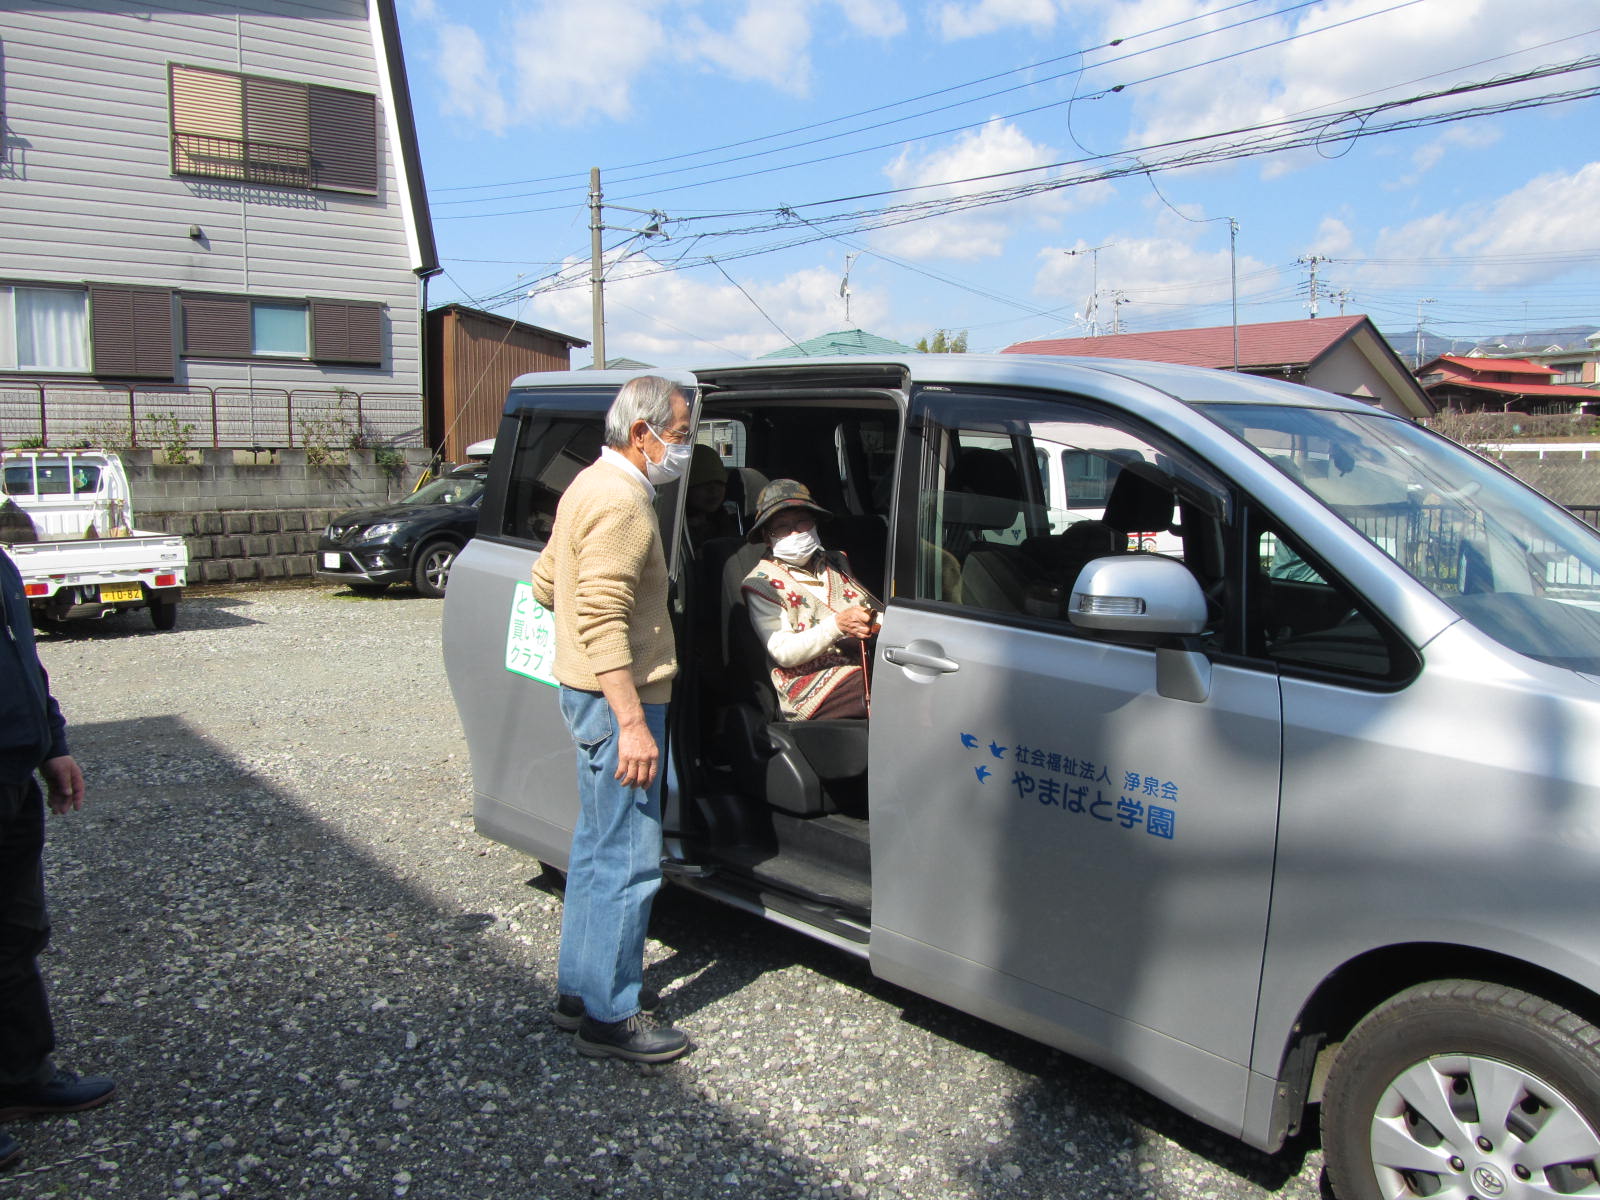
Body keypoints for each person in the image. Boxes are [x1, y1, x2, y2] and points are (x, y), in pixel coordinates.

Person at [529, 375, 694, 1064]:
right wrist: (630, 719)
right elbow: (599, 612)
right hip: (621, 703)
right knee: (629, 856)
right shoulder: (625, 503)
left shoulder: (584, 487)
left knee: (597, 848)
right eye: (680, 436)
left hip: (586, 695)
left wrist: (584, 656)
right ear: (642, 434)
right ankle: (611, 1015)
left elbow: (546, 584)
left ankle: (581, 991)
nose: (683, 449)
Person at [0, 551, 116, 1171]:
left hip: (14, 769)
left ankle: (20, 1078)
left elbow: (24, 661)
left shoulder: (2, 564)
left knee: (18, 933)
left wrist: (54, 744)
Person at [741, 480, 878, 721]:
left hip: (861, 664)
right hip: (809, 685)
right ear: (767, 537)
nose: (795, 533)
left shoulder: (837, 563)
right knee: (890, 689)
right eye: (782, 527)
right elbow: (784, 652)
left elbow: (870, 609)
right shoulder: (762, 583)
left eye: (802, 522)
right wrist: (837, 626)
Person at [683, 444, 741, 550]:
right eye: (704, 483)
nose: (714, 490)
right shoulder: (676, 527)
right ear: (687, 487)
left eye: (719, 483)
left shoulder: (727, 522)